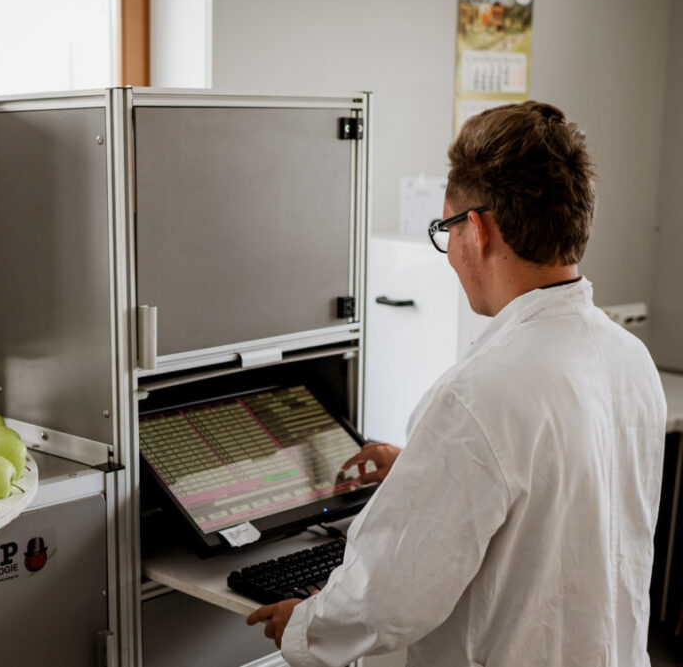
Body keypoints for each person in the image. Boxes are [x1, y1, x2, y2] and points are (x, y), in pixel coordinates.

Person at [247, 101, 667, 666]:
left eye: (445, 230)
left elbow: (387, 601)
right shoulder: (630, 358)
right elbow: (561, 500)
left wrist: (303, 626)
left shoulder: (477, 395)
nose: (449, 256)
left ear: (477, 228)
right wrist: (428, 465)